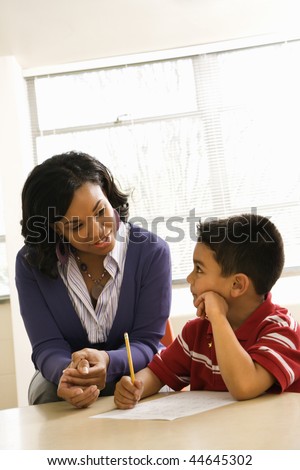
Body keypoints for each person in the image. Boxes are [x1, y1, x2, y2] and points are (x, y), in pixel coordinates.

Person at [16, 151, 172, 408]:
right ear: (54, 228)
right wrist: (69, 372)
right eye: (76, 226)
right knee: (47, 393)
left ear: (108, 196)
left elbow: (147, 342)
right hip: (66, 374)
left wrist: (109, 361)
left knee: (157, 385)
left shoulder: (151, 252)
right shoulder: (31, 263)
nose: (98, 231)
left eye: (101, 211)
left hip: (136, 367)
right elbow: (46, 346)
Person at [114, 213, 300, 409]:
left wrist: (218, 317)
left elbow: (244, 386)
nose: (189, 278)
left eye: (199, 269)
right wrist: (136, 387)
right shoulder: (196, 332)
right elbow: (157, 373)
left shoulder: (282, 331)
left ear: (237, 284)